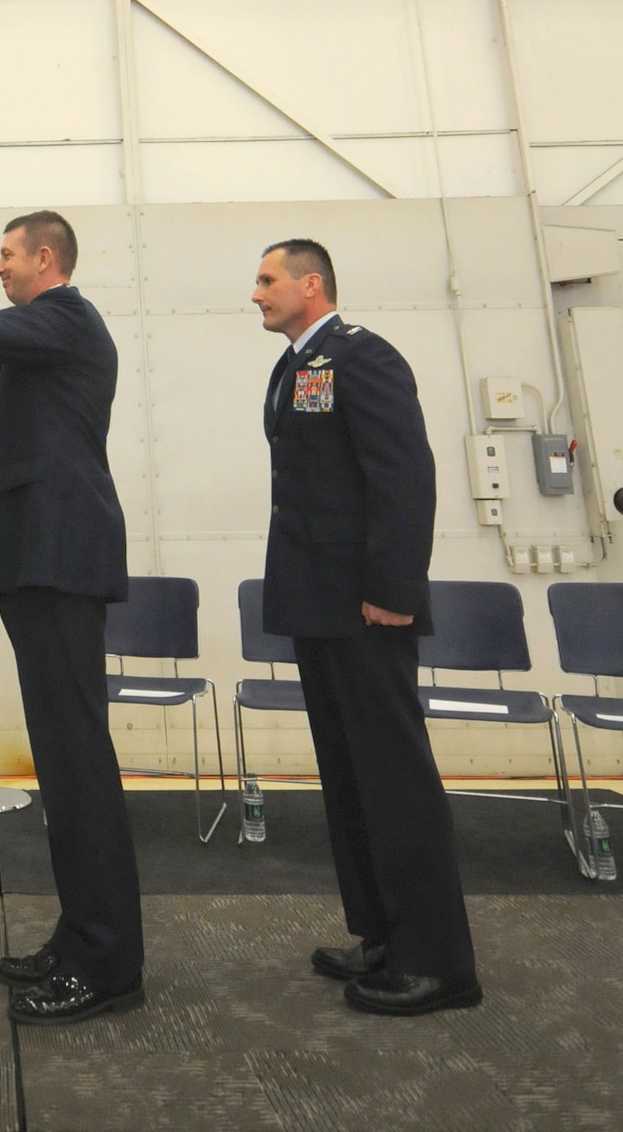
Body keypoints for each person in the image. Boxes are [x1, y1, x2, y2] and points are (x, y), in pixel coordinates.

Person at [0, 211, 143, 1026]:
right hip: (37, 562)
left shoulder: (65, 319)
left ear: (46, 259)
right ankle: (82, 936)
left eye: (8, 257)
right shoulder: (47, 337)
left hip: (58, 560)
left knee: (77, 764)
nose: (0, 270)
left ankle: (108, 961)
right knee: (61, 761)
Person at [252, 237, 481, 1017]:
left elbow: (404, 477)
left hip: (364, 607)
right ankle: (382, 935)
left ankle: (439, 962)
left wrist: (393, 590)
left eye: (267, 280)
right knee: (349, 779)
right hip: (319, 605)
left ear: (310, 285)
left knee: (393, 780)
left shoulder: (364, 357)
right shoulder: (296, 366)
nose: (256, 294)